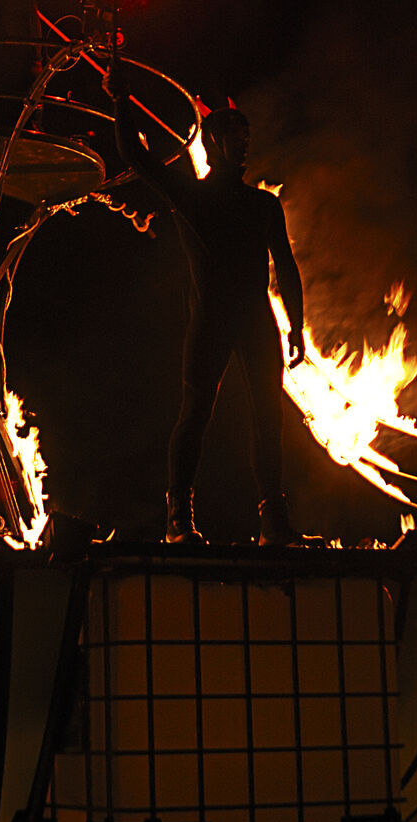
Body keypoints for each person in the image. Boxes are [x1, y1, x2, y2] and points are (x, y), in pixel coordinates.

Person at [106, 62, 306, 542]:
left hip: (255, 322)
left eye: (246, 134)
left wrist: (297, 325)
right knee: (196, 414)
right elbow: (136, 156)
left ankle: (273, 519)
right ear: (213, 143)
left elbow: (287, 266)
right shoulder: (191, 198)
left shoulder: (263, 205)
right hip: (212, 322)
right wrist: (119, 102)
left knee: (267, 418)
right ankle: (179, 519)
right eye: (234, 134)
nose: (244, 143)